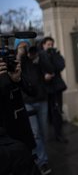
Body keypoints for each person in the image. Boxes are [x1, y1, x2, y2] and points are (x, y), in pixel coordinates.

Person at [15, 38, 52, 175]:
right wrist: (19, 55)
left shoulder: (37, 59)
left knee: (44, 132)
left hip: (42, 100)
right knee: (36, 134)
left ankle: (39, 156)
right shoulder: (17, 61)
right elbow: (13, 74)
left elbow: (51, 70)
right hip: (27, 102)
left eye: (27, 47)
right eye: (22, 47)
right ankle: (42, 161)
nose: (26, 50)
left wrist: (39, 58)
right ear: (17, 48)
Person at [0, 56, 41, 175]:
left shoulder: (9, 70)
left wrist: (17, 79)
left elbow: (33, 91)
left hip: (21, 131)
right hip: (5, 142)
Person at [39, 37, 68, 143]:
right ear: (43, 45)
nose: (50, 46)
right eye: (48, 44)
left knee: (57, 111)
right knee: (46, 113)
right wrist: (44, 76)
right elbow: (37, 70)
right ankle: (46, 136)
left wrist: (53, 55)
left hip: (56, 87)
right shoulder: (39, 56)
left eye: (51, 44)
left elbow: (61, 66)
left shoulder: (56, 54)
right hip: (45, 89)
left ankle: (58, 134)